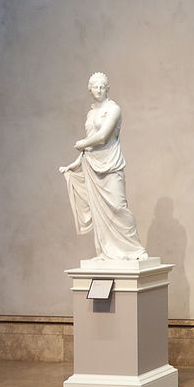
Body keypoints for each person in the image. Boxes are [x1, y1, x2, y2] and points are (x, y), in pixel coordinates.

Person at [58, 72, 147, 261]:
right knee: (99, 213)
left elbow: (102, 137)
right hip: (91, 164)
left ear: (107, 89)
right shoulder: (91, 114)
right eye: (95, 87)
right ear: (90, 89)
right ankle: (105, 252)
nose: (98, 90)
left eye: (102, 87)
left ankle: (135, 250)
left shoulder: (113, 109)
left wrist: (80, 143)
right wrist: (74, 164)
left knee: (118, 206)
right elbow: (89, 147)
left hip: (111, 164)